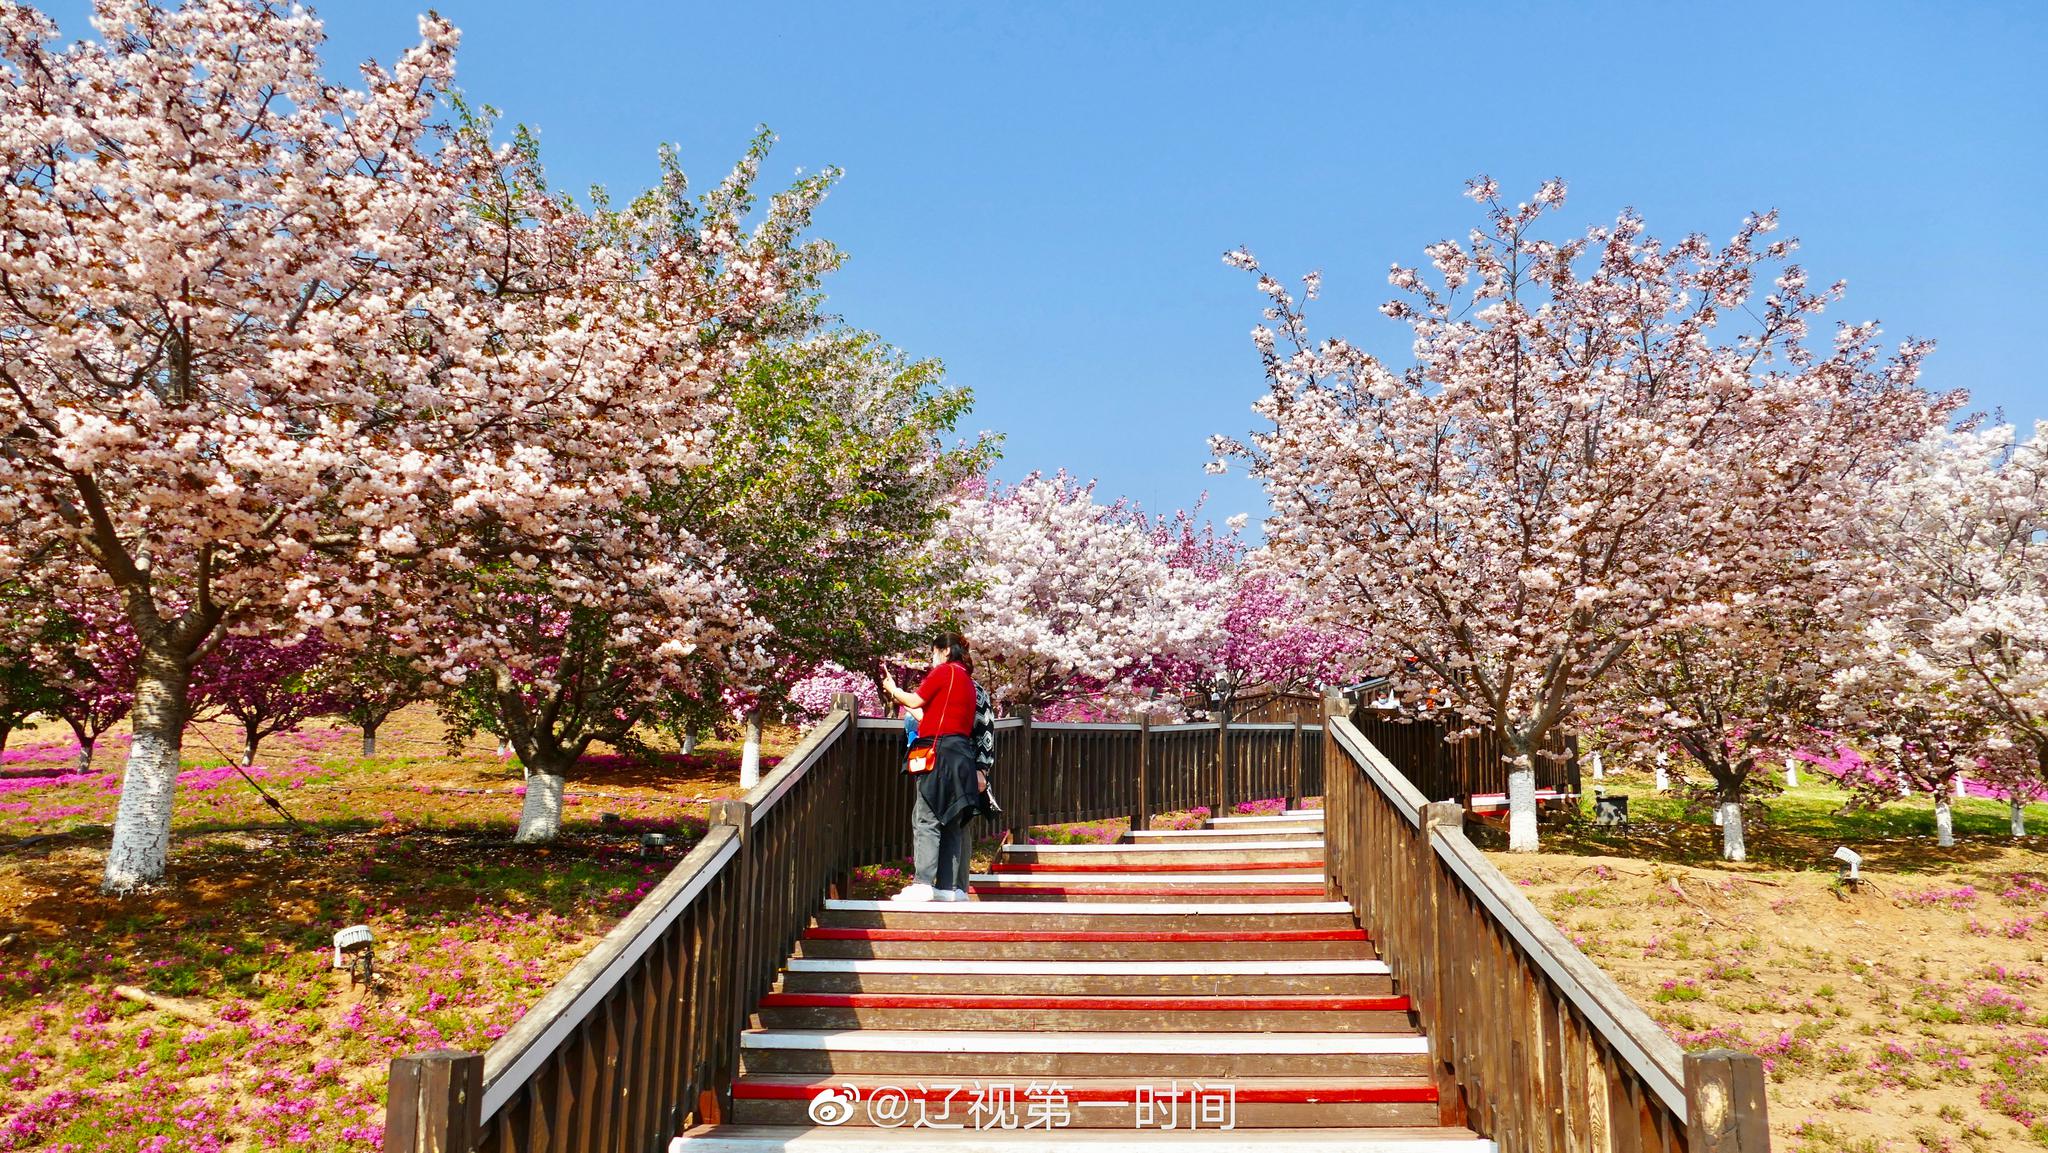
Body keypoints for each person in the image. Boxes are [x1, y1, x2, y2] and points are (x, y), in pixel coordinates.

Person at [881, 632, 979, 903]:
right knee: (951, 819)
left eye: (934, 651)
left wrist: (893, 690)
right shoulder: (966, 679)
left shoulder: (944, 672)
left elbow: (915, 701)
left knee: (926, 818)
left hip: (939, 755)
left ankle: (923, 883)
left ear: (945, 650)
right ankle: (947, 887)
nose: (932, 658)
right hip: (961, 755)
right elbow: (930, 716)